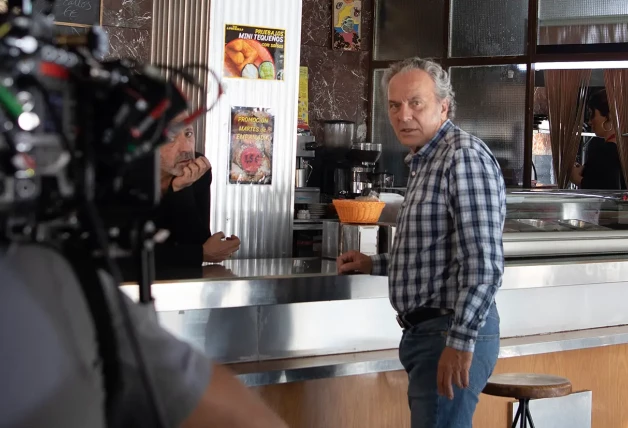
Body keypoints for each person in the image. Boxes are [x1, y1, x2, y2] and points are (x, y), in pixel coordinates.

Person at [336, 58, 506, 428]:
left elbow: (483, 265)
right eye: (395, 106)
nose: (403, 115)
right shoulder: (425, 160)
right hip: (426, 332)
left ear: (444, 106)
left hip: (448, 330)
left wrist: (460, 342)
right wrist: (373, 264)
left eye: (416, 103)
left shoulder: (462, 157)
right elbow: (434, 253)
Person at [0, 243, 288, 428]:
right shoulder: (48, 281)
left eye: (185, 140)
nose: (184, 146)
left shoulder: (53, 282)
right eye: (174, 142)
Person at [155, 114, 241, 275]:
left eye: (188, 134)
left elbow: (198, 240)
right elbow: (123, 257)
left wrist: (181, 189)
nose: (187, 148)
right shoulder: (119, 177)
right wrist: (198, 254)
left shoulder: (197, 168)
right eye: (171, 137)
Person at [571, 89, 625, 190]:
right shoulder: (621, 149)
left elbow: (607, 191)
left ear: (608, 116)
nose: (590, 121)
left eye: (592, 114)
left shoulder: (607, 151)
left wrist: (576, 178)